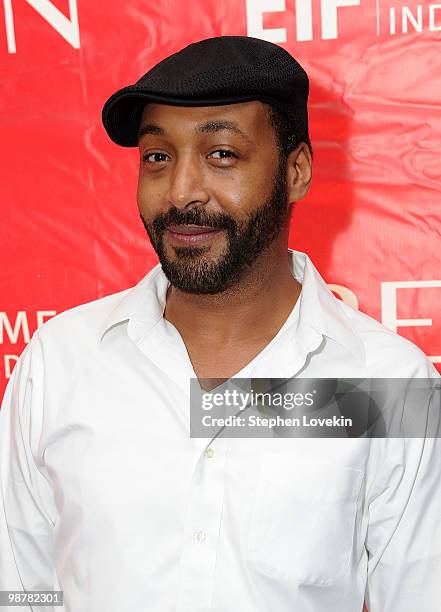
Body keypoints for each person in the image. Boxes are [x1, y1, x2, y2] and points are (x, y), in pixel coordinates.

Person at [0, 36, 439, 612]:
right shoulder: (60, 363)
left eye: (222, 154)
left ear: (297, 171)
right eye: (158, 157)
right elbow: (22, 589)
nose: (181, 192)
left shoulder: (389, 385)